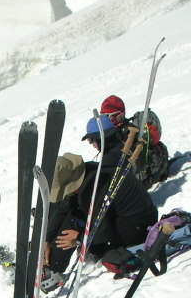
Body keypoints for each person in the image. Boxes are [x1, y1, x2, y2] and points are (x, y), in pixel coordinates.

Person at [42, 114, 158, 288]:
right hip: (131, 217)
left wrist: (79, 238)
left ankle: (53, 270)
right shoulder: (89, 172)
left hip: (137, 228)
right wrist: (46, 239)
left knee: (75, 222)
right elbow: (63, 209)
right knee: (71, 214)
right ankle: (50, 264)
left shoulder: (94, 189)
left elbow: (103, 230)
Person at [100, 95, 169, 189]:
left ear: (119, 115)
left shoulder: (130, 133)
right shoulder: (111, 134)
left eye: (108, 116)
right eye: (102, 117)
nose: (104, 120)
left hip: (150, 170)